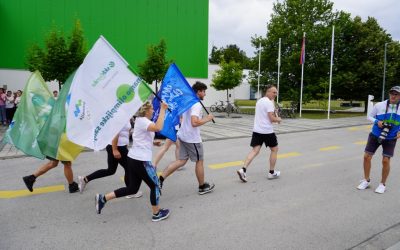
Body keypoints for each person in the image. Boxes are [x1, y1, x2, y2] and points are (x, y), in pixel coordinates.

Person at [95, 101, 170, 222]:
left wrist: (152, 142)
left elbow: (138, 137)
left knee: (132, 189)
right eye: (151, 109)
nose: (153, 111)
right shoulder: (144, 121)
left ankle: (103, 198)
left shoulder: (140, 121)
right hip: (141, 161)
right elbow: (158, 127)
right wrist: (163, 109)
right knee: (155, 185)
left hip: (134, 159)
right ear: (146, 110)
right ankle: (156, 213)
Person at [159, 81, 215, 195]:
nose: (205, 94)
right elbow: (194, 122)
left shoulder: (188, 101)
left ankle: (160, 179)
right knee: (199, 161)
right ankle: (202, 186)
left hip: (183, 135)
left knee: (181, 161)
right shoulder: (196, 104)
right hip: (192, 138)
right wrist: (208, 119)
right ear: (198, 91)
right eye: (204, 91)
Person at [78, 121, 143, 199]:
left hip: (117, 146)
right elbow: (115, 133)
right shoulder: (120, 116)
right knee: (129, 168)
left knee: (111, 170)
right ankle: (130, 191)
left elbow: (126, 131)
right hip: (118, 147)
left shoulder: (126, 115)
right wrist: (115, 149)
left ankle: (85, 179)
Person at [357, 86, 400, 194]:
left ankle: (382, 184)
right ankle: (366, 180)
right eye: (392, 93)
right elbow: (369, 116)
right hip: (375, 135)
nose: (393, 96)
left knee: (385, 160)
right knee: (367, 157)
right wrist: (377, 122)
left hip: (391, 137)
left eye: (396, 94)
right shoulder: (380, 105)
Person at [236, 84, 282, 183]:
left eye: (276, 93)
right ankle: (271, 172)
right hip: (267, 131)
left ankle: (243, 169)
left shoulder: (259, 101)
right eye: (274, 92)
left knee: (255, 150)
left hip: (257, 130)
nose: (275, 94)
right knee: (274, 149)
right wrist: (278, 119)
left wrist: (274, 112)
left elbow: (267, 114)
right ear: (268, 92)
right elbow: (272, 118)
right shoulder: (269, 103)